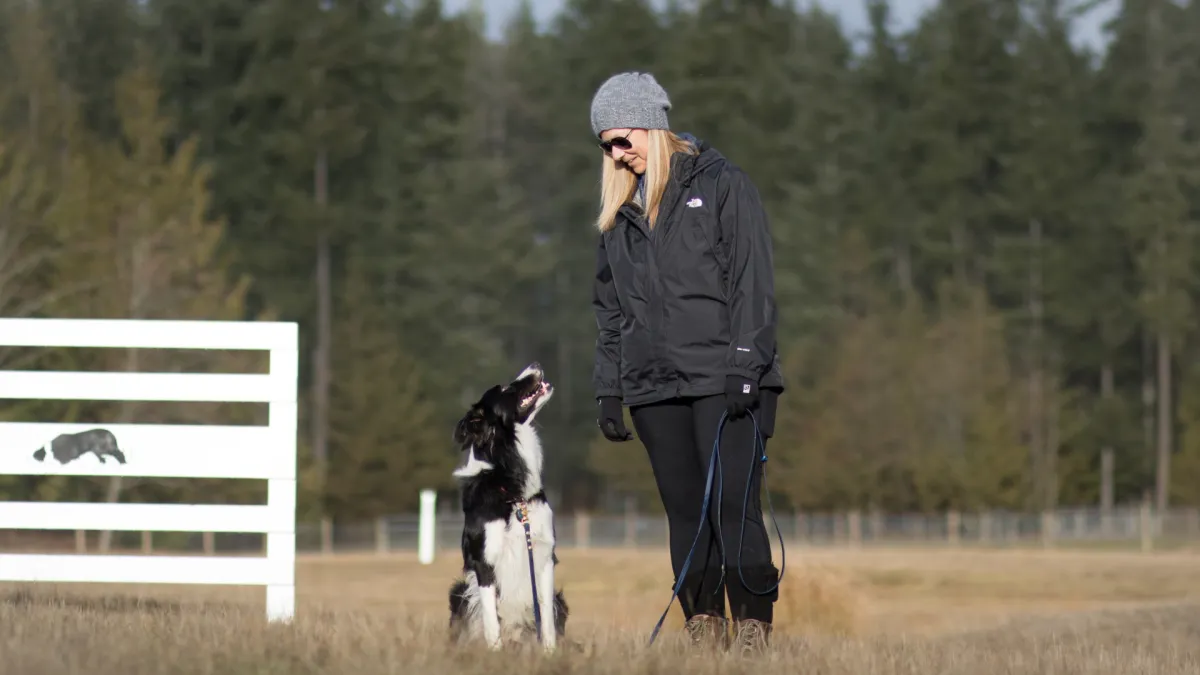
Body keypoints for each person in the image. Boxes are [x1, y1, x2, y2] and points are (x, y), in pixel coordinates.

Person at [588, 71, 785, 653]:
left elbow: (753, 281)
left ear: (653, 123)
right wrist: (610, 388)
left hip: (727, 378)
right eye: (607, 147)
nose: (619, 156)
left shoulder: (722, 184)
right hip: (652, 386)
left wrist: (746, 366)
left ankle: (752, 634)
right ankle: (704, 631)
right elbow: (609, 310)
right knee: (683, 513)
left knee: (731, 505)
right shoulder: (617, 216)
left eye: (625, 140)